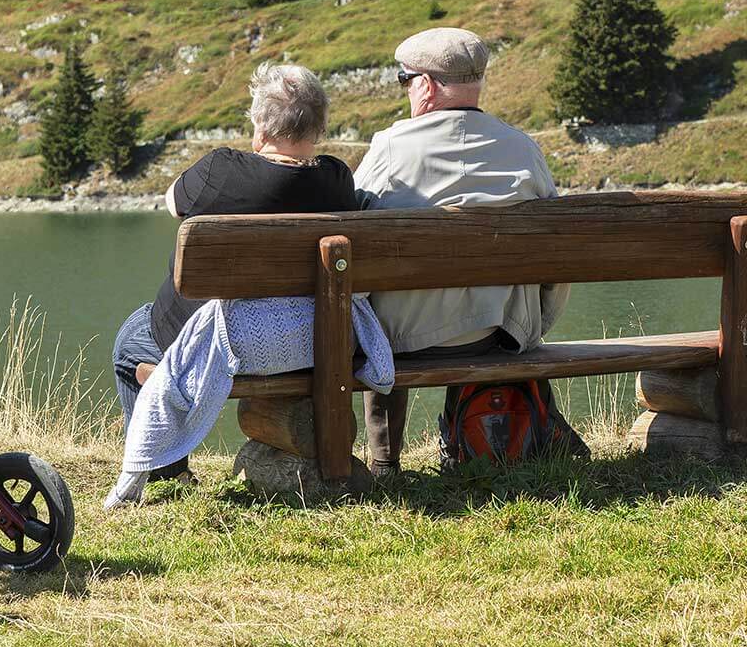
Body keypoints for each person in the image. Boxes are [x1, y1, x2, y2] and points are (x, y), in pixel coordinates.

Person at [112, 62, 359, 484]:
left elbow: (173, 203)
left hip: (227, 345)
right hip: (310, 342)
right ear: (318, 128)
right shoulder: (337, 179)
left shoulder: (223, 170)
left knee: (131, 341)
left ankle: (168, 472)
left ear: (260, 124)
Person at [354, 27, 574, 476]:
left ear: (427, 85)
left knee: (376, 322)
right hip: (500, 332)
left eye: (405, 80)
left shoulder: (390, 149)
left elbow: (352, 239)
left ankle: (384, 462)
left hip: (402, 343)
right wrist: (534, 327)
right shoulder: (522, 149)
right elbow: (558, 253)